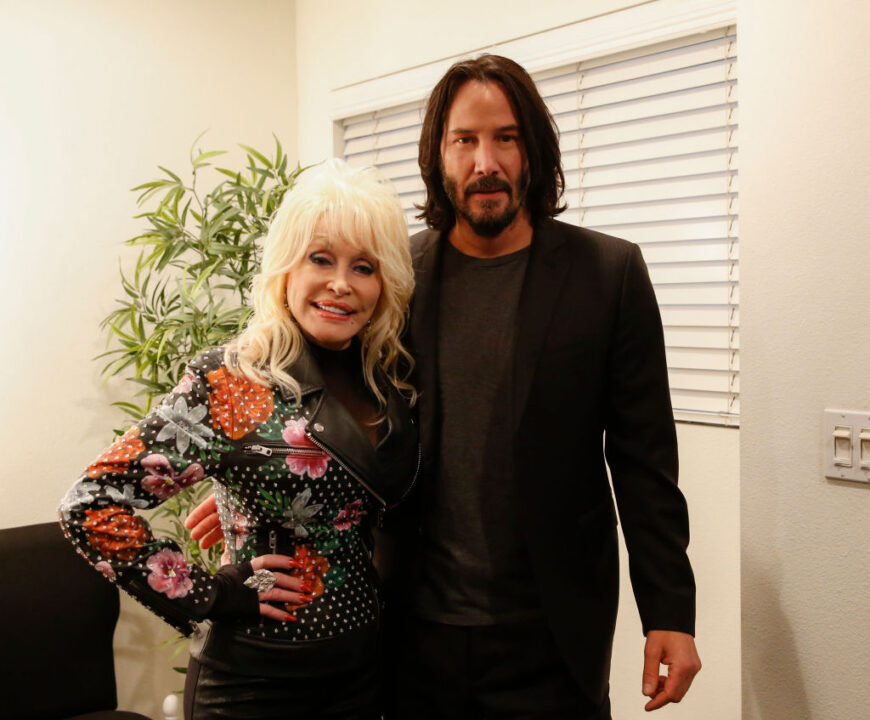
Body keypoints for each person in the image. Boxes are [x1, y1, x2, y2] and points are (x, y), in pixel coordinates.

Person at [189, 54, 701, 719]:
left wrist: (669, 612)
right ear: (438, 154)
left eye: (505, 138)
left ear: (534, 151)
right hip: (411, 628)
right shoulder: (394, 277)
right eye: (465, 140)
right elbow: (313, 386)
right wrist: (256, 478)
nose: (485, 161)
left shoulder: (607, 274)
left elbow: (645, 464)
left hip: (551, 632)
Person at [59, 158, 420, 720]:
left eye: (364, 267)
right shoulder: (230, 379)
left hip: (364, 676)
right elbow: (91, 506)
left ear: (385, 282)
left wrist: (241, 489)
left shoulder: (389, 381)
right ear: (285, 271)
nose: (340, 284)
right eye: (320, 259)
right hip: (253, 686)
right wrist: (212, 594)